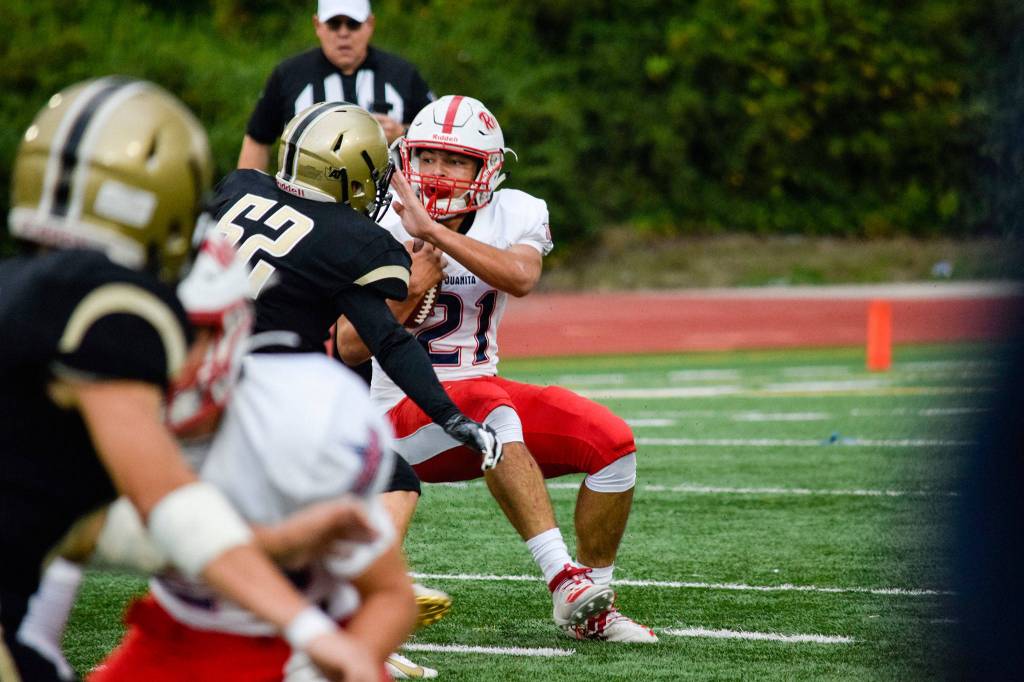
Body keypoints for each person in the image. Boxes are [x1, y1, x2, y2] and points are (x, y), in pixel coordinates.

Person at [0, 76, 384, 681]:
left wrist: (273, 544)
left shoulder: (16, 287)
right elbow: (170, 502)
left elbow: (82, 526)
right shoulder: (109, 305)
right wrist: (313, 632)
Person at [336, 95, 658, 643]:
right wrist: (409, 287)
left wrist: (436, 234)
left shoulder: (516, 210)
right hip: (396, 417)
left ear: (486, 170)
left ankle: (591, 608)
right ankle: (563, 577)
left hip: (482, 394)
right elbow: (346, 346)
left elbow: (521, 276)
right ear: (408, 155)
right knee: (490, 405)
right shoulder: (374, 216)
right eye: (430, 157)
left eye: (456, 161)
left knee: (612, 443)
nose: (438, 173)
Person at [207, 100, 501, 677]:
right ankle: (353, 609)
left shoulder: (236, 188)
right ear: (348, 172)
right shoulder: (349, 239)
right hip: (261, 400)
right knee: (388, 478)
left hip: (189, 381)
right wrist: (451, 417)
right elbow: (388, 340)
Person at [89, 355, 416, 682]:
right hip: (178, 631)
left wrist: (351, 656)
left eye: (193, 330)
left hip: (294, 643)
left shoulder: (295, 423)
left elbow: (389, 594)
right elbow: (74, 540)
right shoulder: (103, 404)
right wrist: (278, 544)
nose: (172, 347)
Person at [238, 0, 434, 171]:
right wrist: (245, 196)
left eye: (353, 24)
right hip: (305, 204)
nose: (343, 33)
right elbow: (257, 139)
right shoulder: (289, 75)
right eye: (334, 24)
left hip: (387, 205)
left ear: (370, 24)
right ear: (317, 25)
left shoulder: (402, 74)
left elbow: (437, 135)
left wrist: (403, 134)